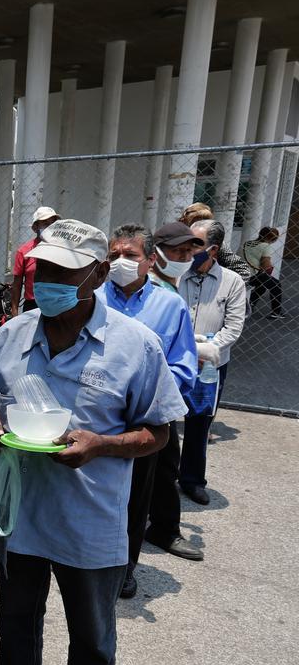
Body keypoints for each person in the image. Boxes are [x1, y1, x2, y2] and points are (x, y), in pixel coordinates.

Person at [0, 219, 185, 665]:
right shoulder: (11, 334)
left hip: (90, 521)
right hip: (20, 514)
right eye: (41, 269)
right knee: (17, 623)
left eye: (64, 273)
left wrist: (101, 445)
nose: (47, 283)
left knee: (92, 638)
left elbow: (159, 433)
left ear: (99, 275)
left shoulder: (135, 345)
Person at [99, 225, 201, 600]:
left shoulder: (169, 304)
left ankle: (125, 568)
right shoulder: (92, 298)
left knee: (136, 497)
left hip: (143, 421)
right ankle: (85, 560)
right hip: (96, 416)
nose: (121, 262)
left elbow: (183, 365)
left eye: (130, 255)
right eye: (114, 255)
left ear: (149, 260)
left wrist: (150, 401)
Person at [178, 220, 248, 505]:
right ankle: (157, 476)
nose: (187, 250)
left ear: (213, 249)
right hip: (173, 360)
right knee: (160, 419)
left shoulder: (232, 282)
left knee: (198, 423)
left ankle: (192, 480)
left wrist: (205, 350)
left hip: (210, 366)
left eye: (195, 244)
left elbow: (233, 327)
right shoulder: (177, 274)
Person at [180, 203, 252, 281]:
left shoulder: (215, 243)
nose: (199, 227)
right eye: (194, 224)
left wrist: (221, 285)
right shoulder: (174, 239)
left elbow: (243, 271)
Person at [10, 206, 59, 315]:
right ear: (36, 227)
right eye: (46, 224)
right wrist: (14, 310)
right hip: (33, 305)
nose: (50, 227)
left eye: (53, 224)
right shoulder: (24, 251)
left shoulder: (61, 249)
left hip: (56, 303)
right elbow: (17, 283)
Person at [243, 227, 287, 319]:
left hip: (241, 273)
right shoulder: (265, 246)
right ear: (272, 239)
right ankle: (276, 312)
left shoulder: (247, 243)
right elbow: (266, 265)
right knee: (276, 285)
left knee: (262, 286)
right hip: (252, 274)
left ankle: (250, 305)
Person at [149, 221, 203, 292]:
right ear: (156, 252)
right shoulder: (149, 289)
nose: (184, 257)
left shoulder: (169, 286)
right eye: (177, 250)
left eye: (189, 250)